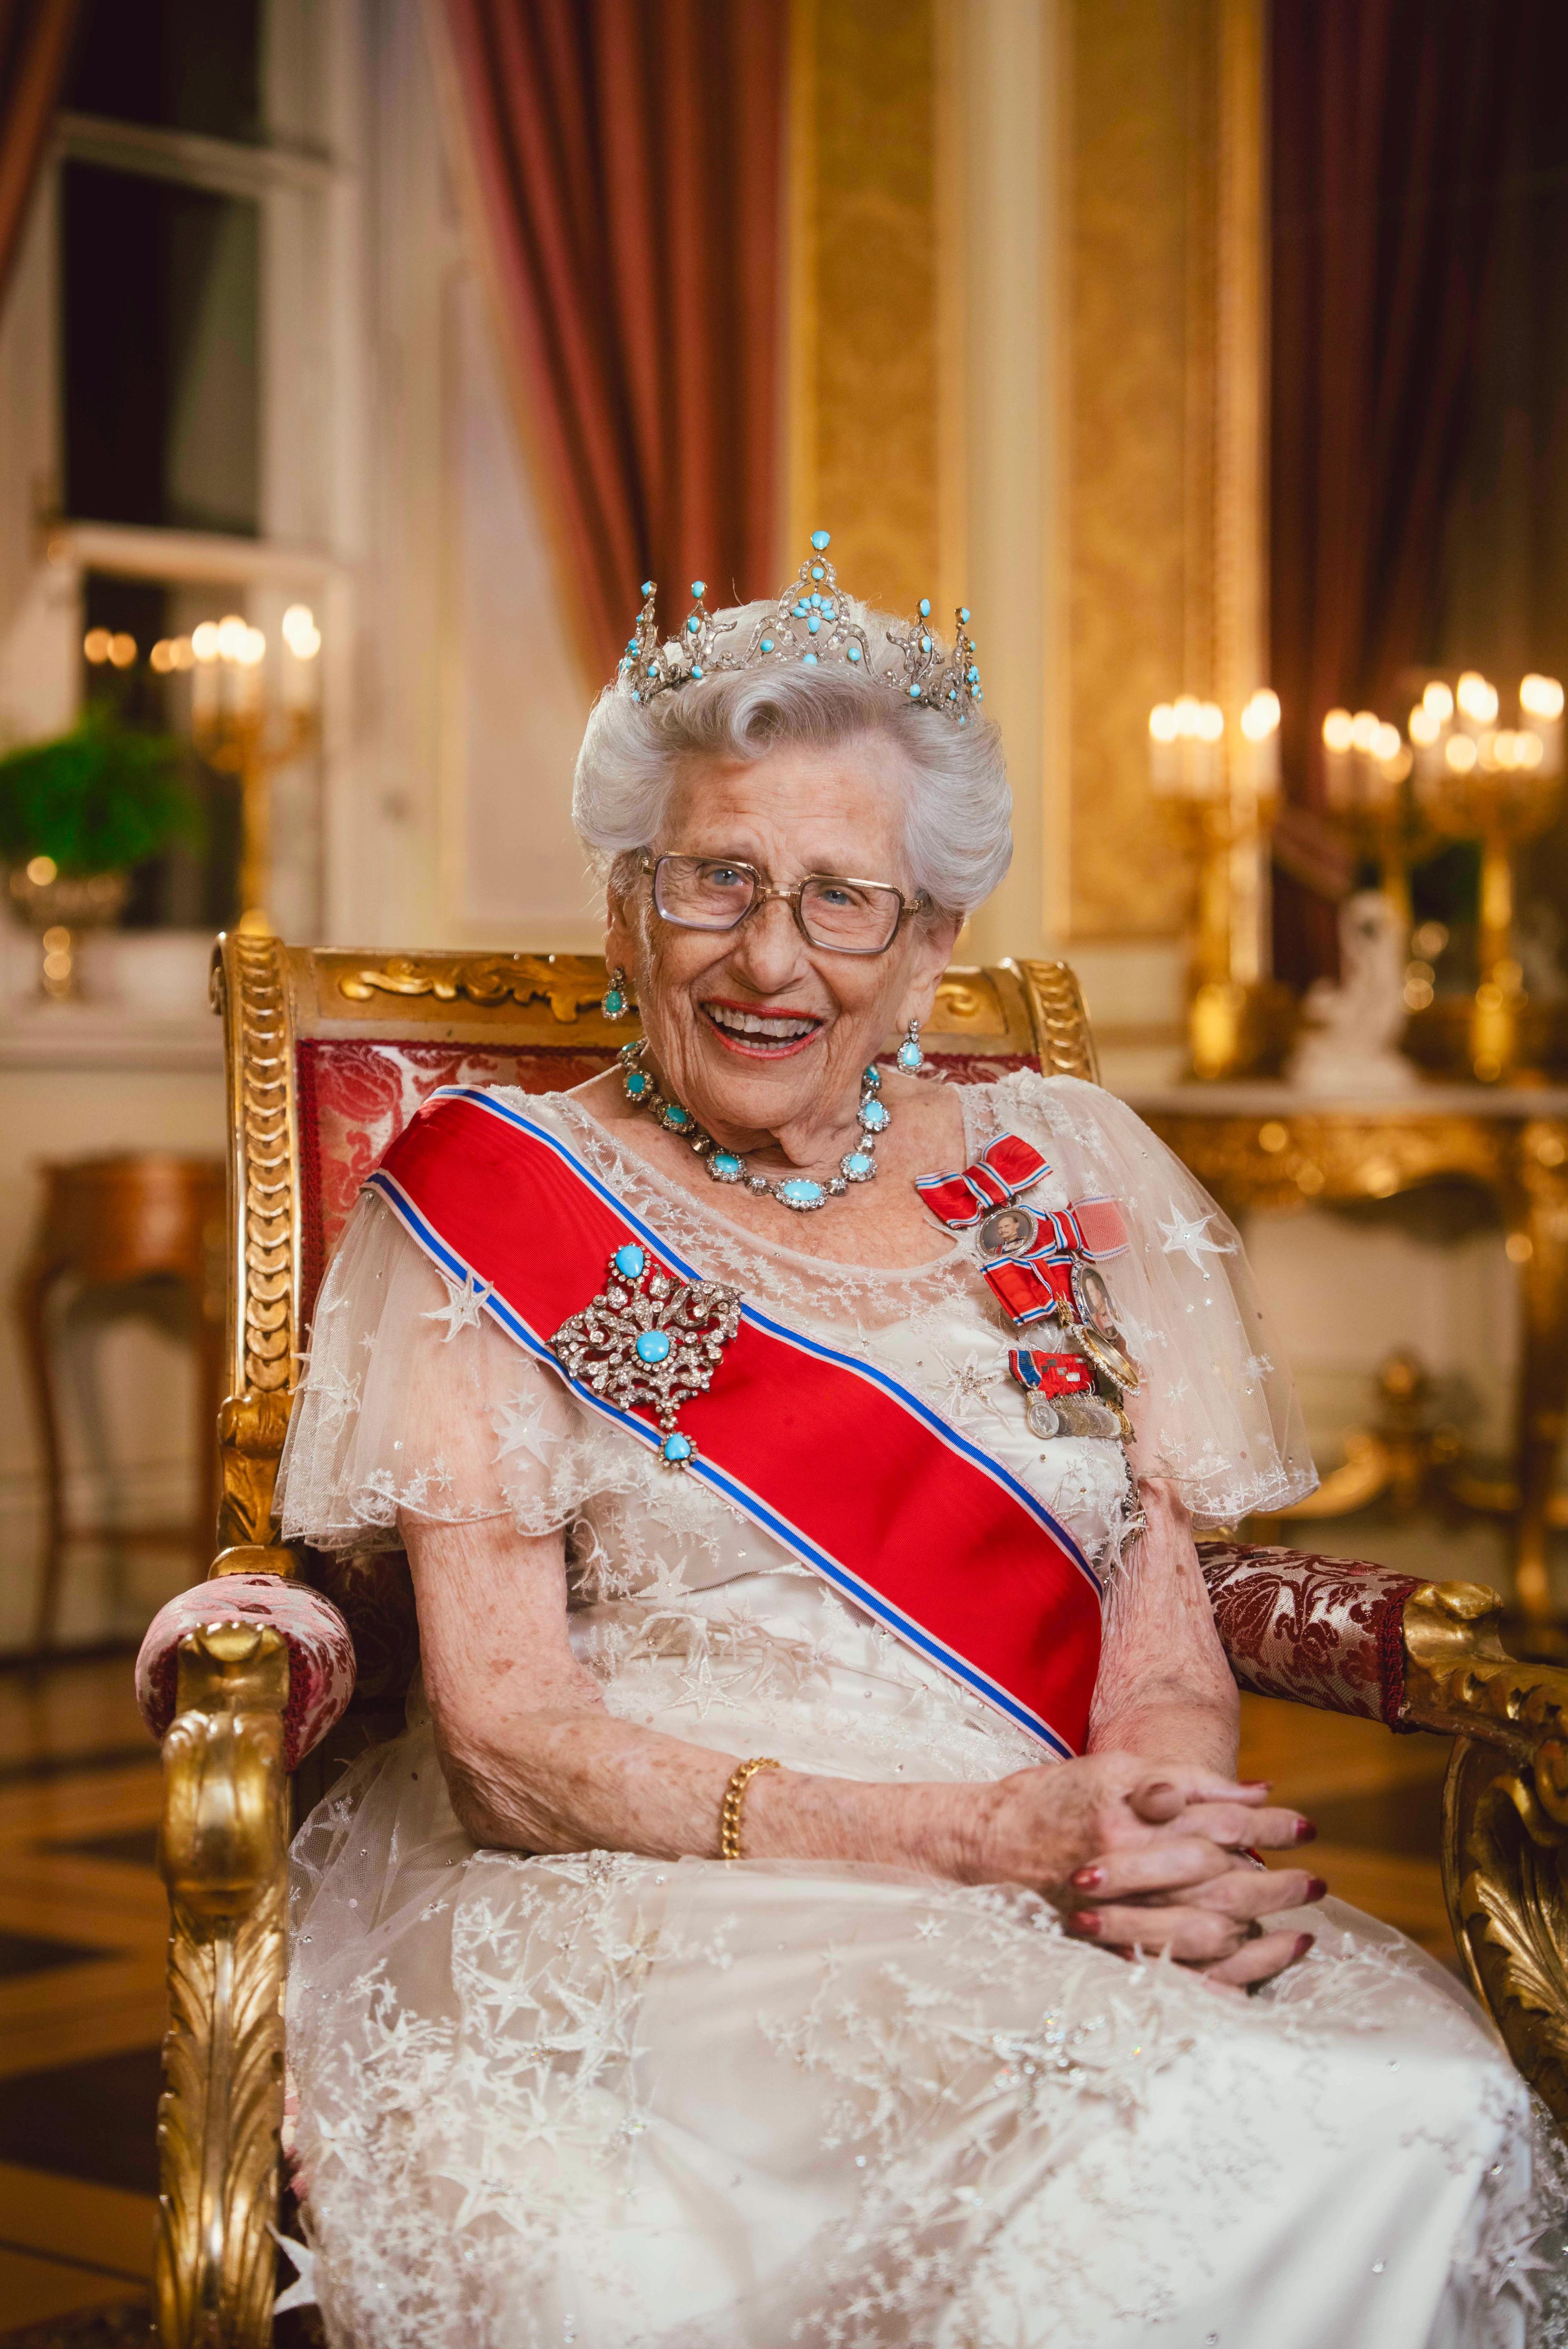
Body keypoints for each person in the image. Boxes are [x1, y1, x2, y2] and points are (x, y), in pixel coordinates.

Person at [277, 539, 1563, 2349]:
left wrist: (1153, 1832)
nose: (769, 956)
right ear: (629, 905)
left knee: (1417, 2108)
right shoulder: (492, 1202)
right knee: (1166, 2145)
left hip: (1062, 1850)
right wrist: (973, 1839)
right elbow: (505, 1745)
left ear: (934, 943)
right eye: (717, 879)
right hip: (680, 1897)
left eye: (842, 900)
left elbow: (1158, 1628)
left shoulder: (1060, 1168)